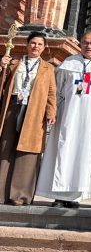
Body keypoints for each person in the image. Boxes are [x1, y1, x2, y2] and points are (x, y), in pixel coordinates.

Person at [36, 31, 91, 208]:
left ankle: (75, 197)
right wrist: (53, 112)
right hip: (67, 117)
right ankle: (58, 196)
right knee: (63, 151)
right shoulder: (69, 63)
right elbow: (57, 91)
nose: (89, 46)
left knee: (84, 154)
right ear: (80, 44)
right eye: (85, 43)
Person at [0, 32, 56, 206]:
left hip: (34, 111)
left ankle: (20, 195)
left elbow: (51, 93)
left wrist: (51, 112)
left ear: (44, 47)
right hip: (13, 107)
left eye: (40, 44)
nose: (36, 47)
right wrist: (1, 67)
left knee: (28, 152)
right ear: (27, 44)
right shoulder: (14, 64)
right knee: (5, 148)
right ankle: (1, 193)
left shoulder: (48, 68)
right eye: (33, 43)